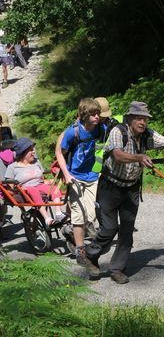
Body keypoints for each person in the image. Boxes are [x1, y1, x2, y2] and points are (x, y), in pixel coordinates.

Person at [85, 101, 164, 284]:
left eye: (145, 119)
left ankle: (117, 268)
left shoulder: (147, 134)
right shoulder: (118, 132)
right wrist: (139, 157)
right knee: (109, 228)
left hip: (132, 187)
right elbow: (117, 155)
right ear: (130, 119)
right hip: (110, 187)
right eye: (139, 118)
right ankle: (89, 254)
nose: (143, 122)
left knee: (127, 231)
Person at [56, 98, 105, 272]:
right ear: (84, 115)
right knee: (78, 215)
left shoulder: (100, 128)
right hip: (75, 177)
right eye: (93, 114)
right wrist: (67, 174)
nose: (97, 117)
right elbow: (60, 154)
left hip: (91, 176)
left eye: (98, 113)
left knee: (90, 216)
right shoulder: (73, 132)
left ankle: (69, 231)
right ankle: (80, 251)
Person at [5, 137, 66, 226]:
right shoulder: (13, 167)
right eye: (31, 150)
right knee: (33, 190)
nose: (34, 152)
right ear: (23, 152)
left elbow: (41, 179)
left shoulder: (36, 162)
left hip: (38, 185)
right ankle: (47, 219)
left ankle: (58, 213)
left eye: (33, 149)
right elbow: (10, 186)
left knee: (54, 188)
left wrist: (48, 181)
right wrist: (15, 190)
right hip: (24, 189)